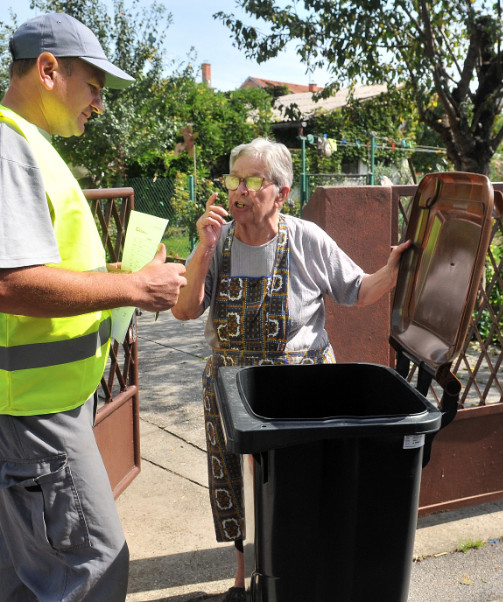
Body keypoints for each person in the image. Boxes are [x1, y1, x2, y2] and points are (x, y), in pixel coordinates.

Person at [0, 13, 187, 601]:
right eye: (93, 87)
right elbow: (6, 283)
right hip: (28, 407)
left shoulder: (10, 142)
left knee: (31, 571)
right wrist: (134, 289)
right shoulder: (4, 147)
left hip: (22, 400)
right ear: (48, 70)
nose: (99, 104)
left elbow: (23, 271)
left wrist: (121, 276)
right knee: (93, 566)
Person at [171, 138, 410, 601]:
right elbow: (185, 309)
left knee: (299, 482)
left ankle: (301, 569)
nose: (240, 190)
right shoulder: (215, 245)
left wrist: (393, 271)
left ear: (280, 193)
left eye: (253, 181)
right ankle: (242, 578)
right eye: (234, 179)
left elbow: (356, 291)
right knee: (232, 482)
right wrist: (201, 249)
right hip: (233, 385)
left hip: (301, 386)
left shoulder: (306, 239)